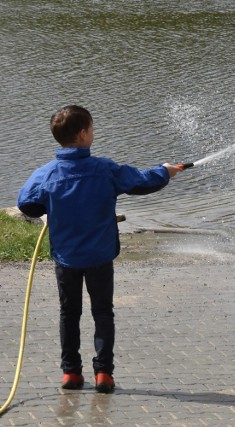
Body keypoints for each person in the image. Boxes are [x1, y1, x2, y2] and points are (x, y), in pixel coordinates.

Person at [17, 105, 183, 392]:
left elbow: (26, 203)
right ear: (83, 135)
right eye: (92, 129)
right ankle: (104, 374)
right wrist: (165, 171)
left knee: (69, 314)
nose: (93, 133)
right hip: (100, 257)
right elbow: (142, 182)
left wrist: (50, 207)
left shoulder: (46, 174)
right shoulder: (105, 169)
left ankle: (71, 374)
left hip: (66, 259)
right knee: (103, 312)